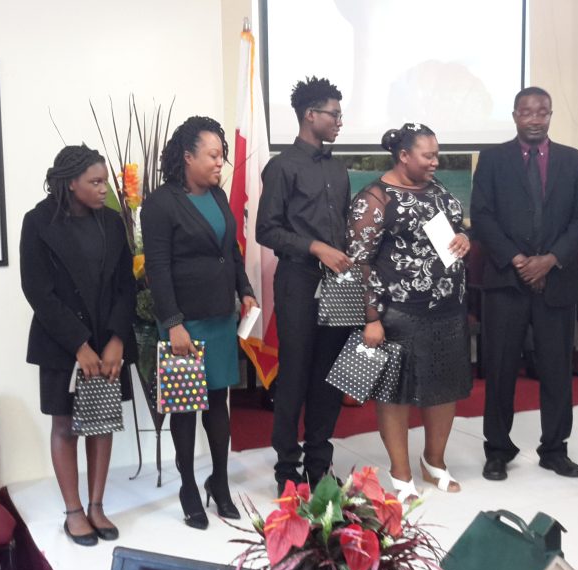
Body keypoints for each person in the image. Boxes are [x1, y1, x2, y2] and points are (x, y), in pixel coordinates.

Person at [471, 86, 578, 481]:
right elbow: (482, 216)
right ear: (515, 116)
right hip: (506, 281)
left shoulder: (576, 162)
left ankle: (555, 449)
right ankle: (497, 450)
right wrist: (517, 259)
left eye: (543, 111)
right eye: (527, 112)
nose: (535, 119)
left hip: (556, 282)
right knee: (500, 369)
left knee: (557, 370)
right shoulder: (492, 160)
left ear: (551, 115)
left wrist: (550, 260)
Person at [141, 116, 257, 529]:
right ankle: (189, 487)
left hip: (220, 317)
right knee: (186, 409)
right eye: (213, 155)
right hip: (184, 323)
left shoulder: (219, 196)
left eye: (221, 155)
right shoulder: (160, 204)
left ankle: (219, 483)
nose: (220, 162)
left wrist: (245, 289)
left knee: (218, 405)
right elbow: (157, 268)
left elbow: (232, 251)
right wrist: (173, 323)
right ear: (188, 157)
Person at [20, 144, 137, 546]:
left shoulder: (113, 221)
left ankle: (97, 506)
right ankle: (73, 511)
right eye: (95, 182)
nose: (104, 189)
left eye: (105, 181)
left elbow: (126, 286)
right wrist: (79, 346)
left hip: (108, 343)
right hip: (61, 344)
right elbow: (37, 290)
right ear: (71, 183)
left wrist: (117, 340)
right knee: (66, 425)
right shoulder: (38, 222)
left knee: (102, 422)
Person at [348, 123, 473, 498]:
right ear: (403, 156)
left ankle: (434, 462)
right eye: (428, 156)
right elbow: (359, 263)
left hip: (448, 308)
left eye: (437, 155)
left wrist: (464, 238)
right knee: (396, 393)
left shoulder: (436, 189)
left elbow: (454, 229)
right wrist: (371, 318)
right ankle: (400, 473)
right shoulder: (375, 198)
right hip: (398, 312)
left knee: (444, 387)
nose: (436, 162)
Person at [256, 77, 351, 495]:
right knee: (294, 375)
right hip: (298, 279)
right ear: (310, 115)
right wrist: (315, 247)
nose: (340, 122)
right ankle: (286, 469)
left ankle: (319, 464)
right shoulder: (282, 167)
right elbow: (266, 230)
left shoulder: (338, 168)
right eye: (334, 114)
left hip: (338, 283)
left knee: (329, 377)